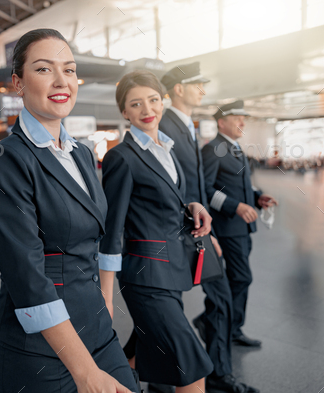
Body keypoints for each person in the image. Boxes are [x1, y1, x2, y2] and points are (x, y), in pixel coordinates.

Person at [0, 28, 136, 393]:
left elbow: (101, 235)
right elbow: (25, 276)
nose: (62, 80)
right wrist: (84, 372)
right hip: (40, 349)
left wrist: (106, 303)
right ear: (18, 83)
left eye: (69, 69)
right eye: (44, 69)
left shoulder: (81, 154)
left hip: (97, 329)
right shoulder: (5, 161)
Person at [99, 69, 214, 393]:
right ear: (125, 112)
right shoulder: (121, 158)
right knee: (191, 366)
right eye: (136, 104)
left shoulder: (167, 148)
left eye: (152, 100)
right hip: (145, 278)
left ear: (163, 101)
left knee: (141, 352)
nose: (147, 109)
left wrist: (191, 204)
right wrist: (105, 296)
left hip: (171, 271)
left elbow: (167, 196)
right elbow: (112, 230)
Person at [156, 63, 259, 393]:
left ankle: (206, 374)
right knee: (174, 305)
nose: (202, 90)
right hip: (185, 230)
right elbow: (172, 182)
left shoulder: (186, 126)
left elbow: (196, 184)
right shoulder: (166, 125)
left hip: (200, 228)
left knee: (205, 299)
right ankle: (212, 375)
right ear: (179, 90)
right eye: (196, 84)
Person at [201, 100, 278, 348]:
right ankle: (220, 324)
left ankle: (222, 325)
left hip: (241, 227)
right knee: (241, 278)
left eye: (243, 118)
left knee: (238, 279)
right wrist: (236, 206)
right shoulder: (213, 149)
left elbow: (240, 185)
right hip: (227, 227)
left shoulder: (234, 148)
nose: (242, 122)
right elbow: (206, 189)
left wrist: (257, 197)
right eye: (237, 118)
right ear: (221, 122)